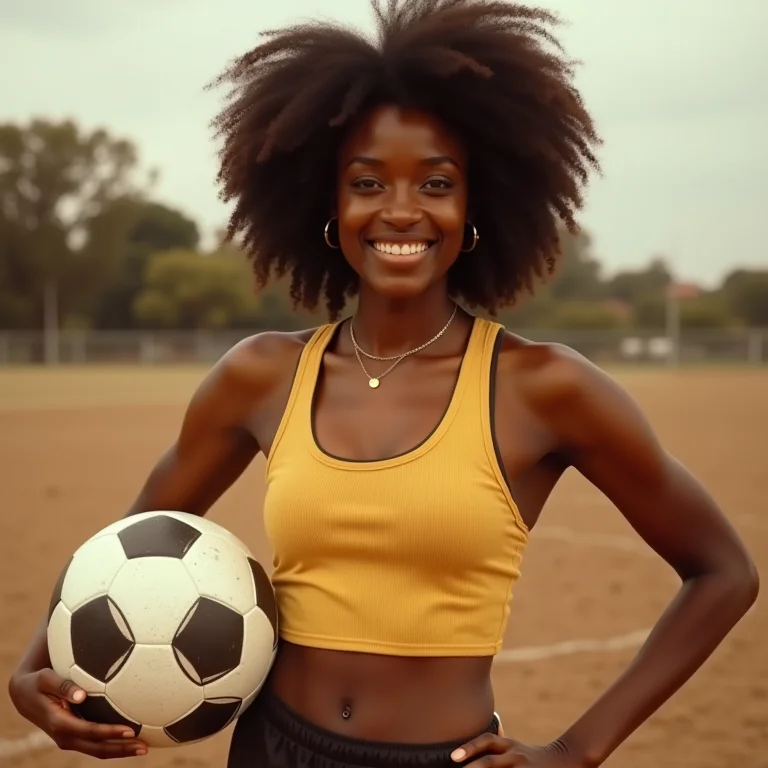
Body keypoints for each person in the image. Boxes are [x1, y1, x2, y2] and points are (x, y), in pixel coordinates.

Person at [8, 1, 759, 766]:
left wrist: (575, 751)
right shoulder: (260, 376)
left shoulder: (545, 388)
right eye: (368, 183)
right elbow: (126, 543)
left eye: (436, 185)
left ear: (476, 207)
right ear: (328, 204)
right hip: (273, 748)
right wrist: (33, 667)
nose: (401, 210)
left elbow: (722, 572)